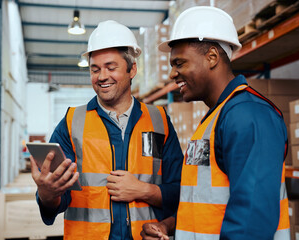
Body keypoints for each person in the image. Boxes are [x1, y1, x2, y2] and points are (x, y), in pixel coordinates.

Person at [141, 6, 290, 240]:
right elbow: (207, 202)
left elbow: (251, 220)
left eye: (179, 63)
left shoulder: (247, 115)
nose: (172, 74)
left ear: (211, 57)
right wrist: (170, 226)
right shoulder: (217, 117)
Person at [30, 20, 184, 240]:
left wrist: (143, 190)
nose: (102, 76)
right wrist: (47, 194)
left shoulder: (158, 121)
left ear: (132, 69)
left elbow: (181, 191)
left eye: (111, 68)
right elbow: (57, 200)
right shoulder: (72, 122)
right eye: (95, 69)